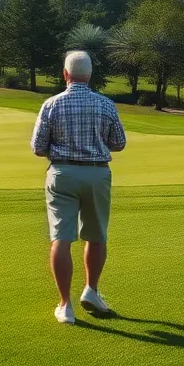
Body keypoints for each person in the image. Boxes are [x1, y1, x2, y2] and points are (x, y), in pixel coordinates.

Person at [30, 51, 126, 324]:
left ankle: (65, 306)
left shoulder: (51, 104)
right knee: (96, 236)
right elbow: (119, 143)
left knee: (61, 238)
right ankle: (91, 291)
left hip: (62, 173)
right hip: (97, 174)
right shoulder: (106, 104)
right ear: (90, 75)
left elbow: (38, 148)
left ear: (65, 74)